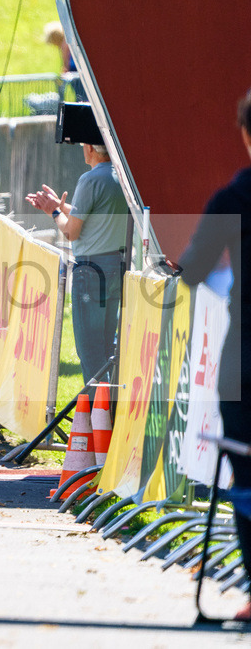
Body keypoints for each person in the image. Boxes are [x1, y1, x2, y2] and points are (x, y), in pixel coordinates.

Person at [177, 87, 251, 622]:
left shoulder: (235, 197)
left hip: (245, 362)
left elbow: (194, 270)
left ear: (245, 135)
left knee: (247, 475)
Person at [26, 139, 129, 384]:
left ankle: (96, 414)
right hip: (117, 267)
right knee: (107, 350)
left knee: (90, 352)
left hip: (91, 271)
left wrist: (54, 213)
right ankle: (107, 415)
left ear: (90, 149)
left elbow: (71, 232)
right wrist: (59, 206)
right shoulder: (121, 176)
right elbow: (97, 213)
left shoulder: (89, 179)